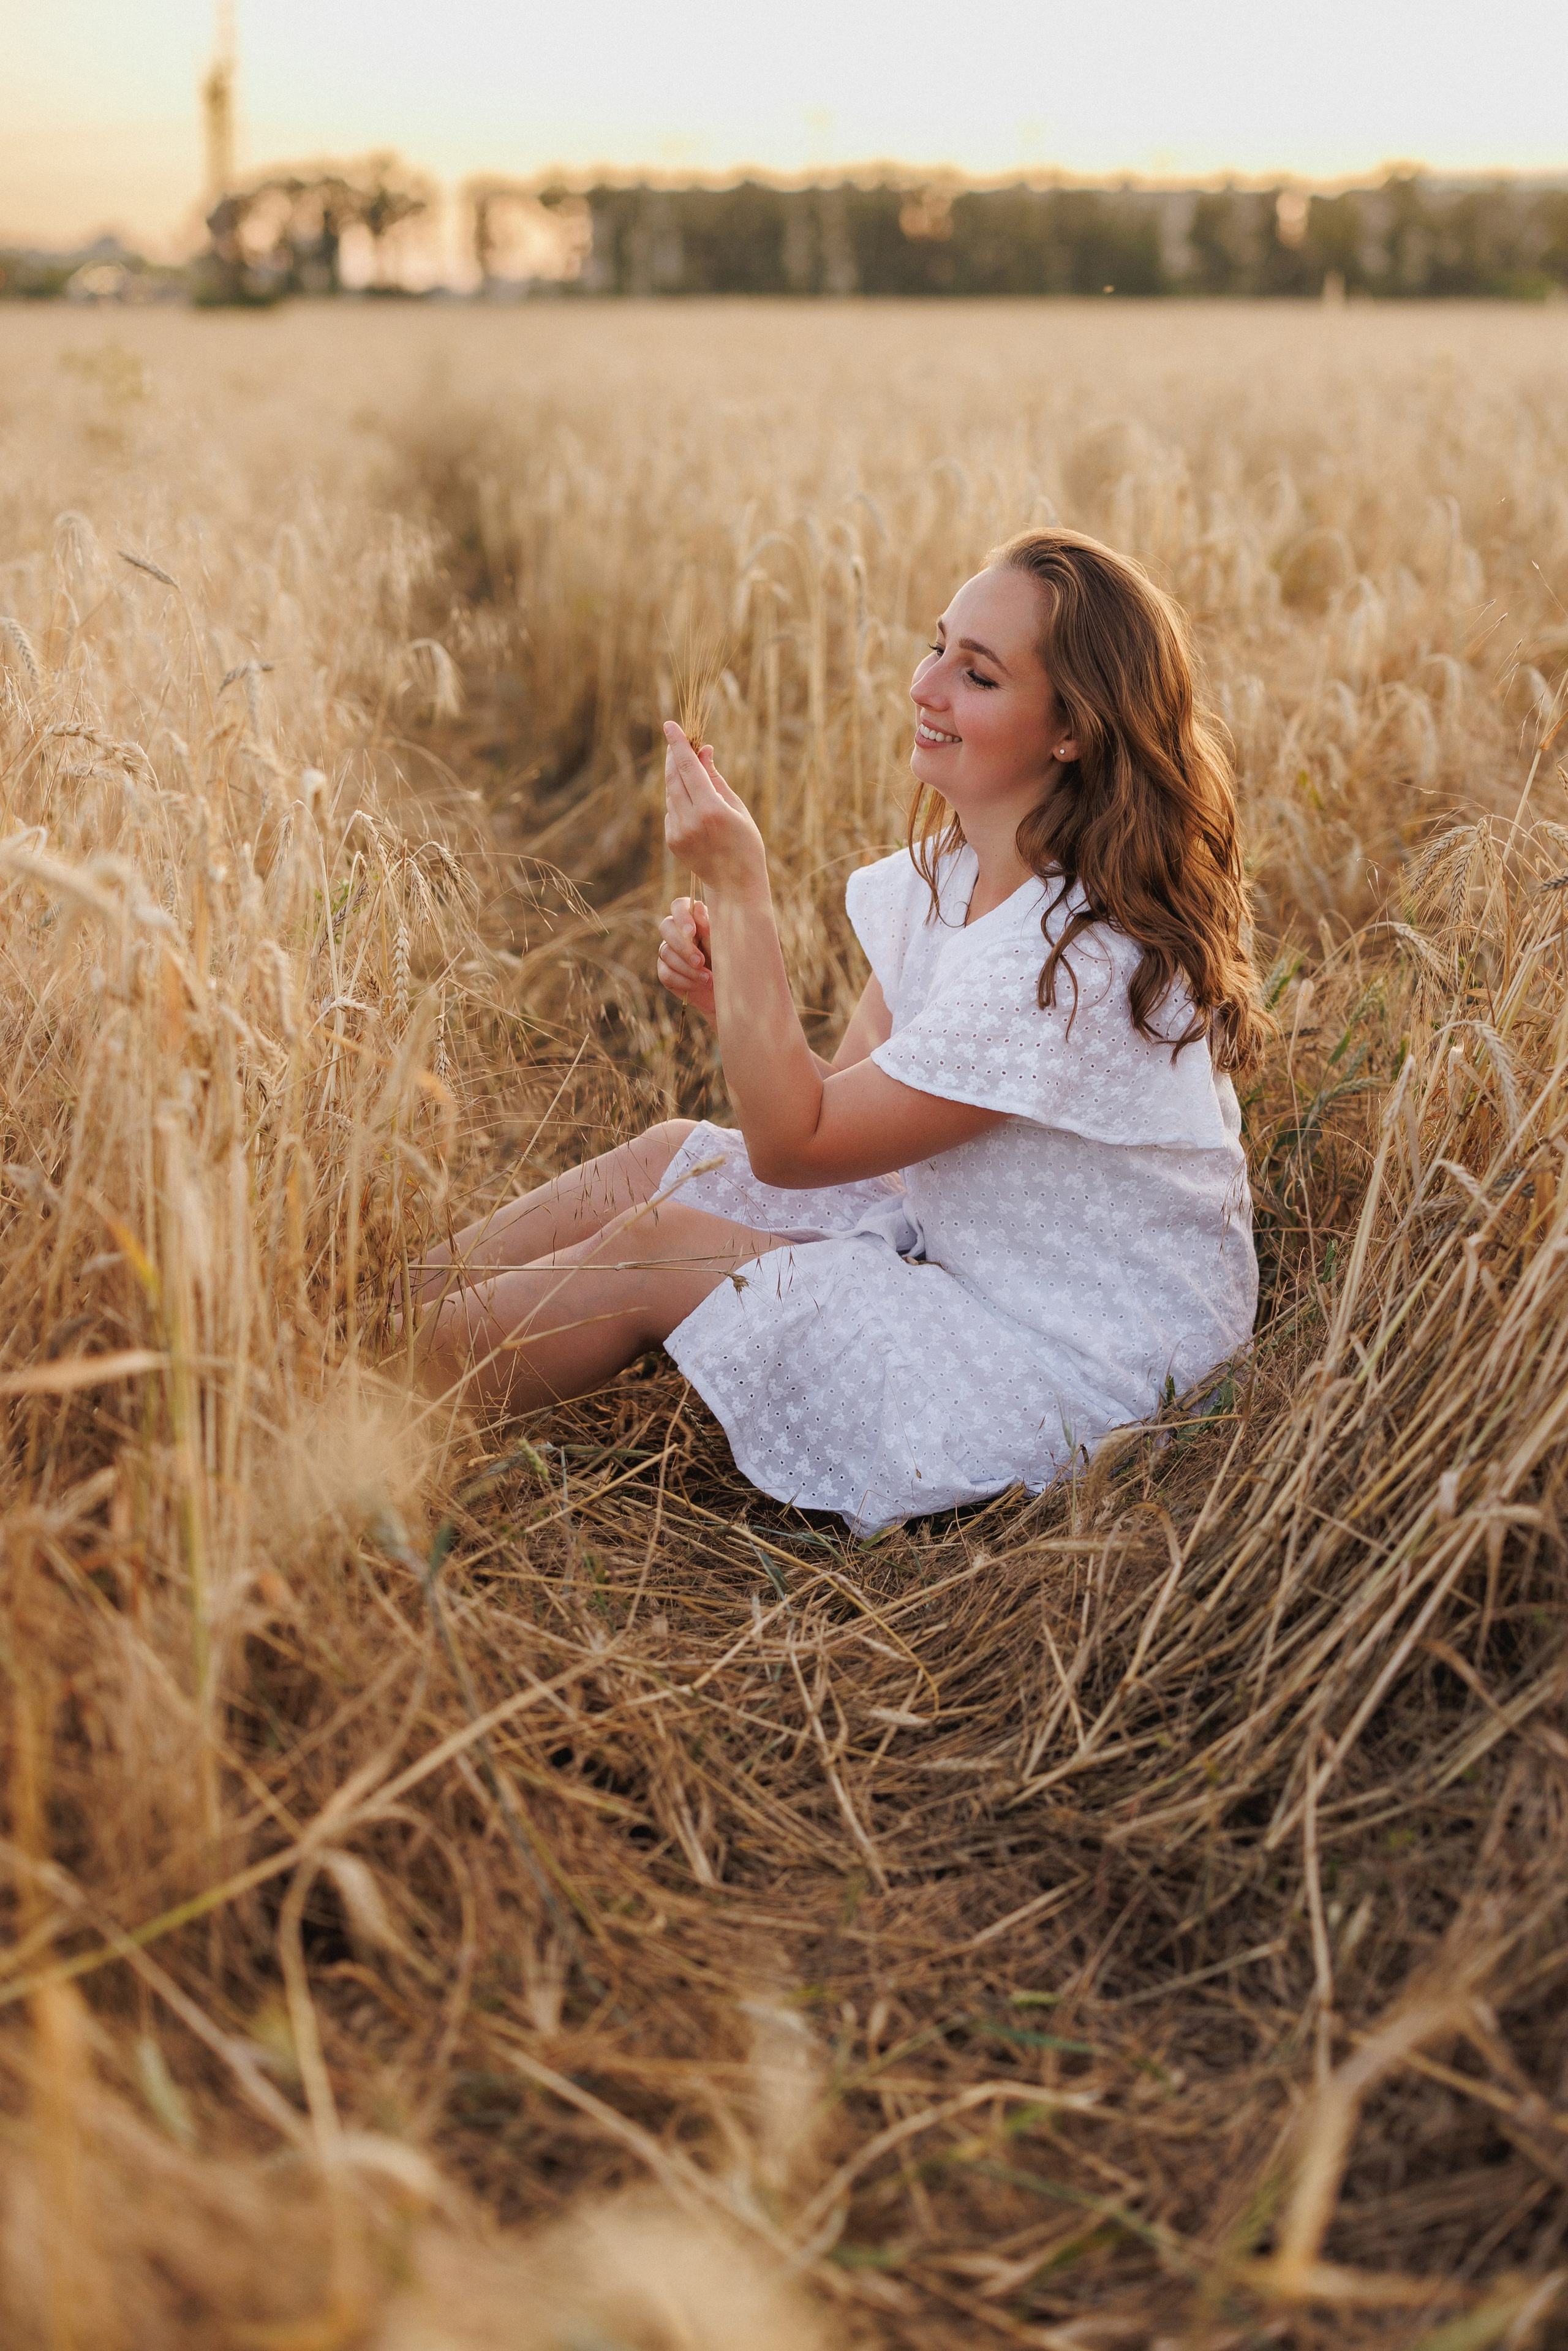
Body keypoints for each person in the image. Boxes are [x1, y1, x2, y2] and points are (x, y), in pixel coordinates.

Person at [414, 527, 1267, 1533]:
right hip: (969, 1258)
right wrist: (736, 995)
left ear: (1071, 730)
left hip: (1076, 1365)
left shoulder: (1068, 964)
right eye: (937, 645)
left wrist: (741, 891)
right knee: (666, 1159)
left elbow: (795, 1142)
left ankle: (369, 1411)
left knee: (659, 1248)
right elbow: (844, 1105)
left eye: (977, 674)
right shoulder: (952, 877)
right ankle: (375, 1315)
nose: (928, 684)